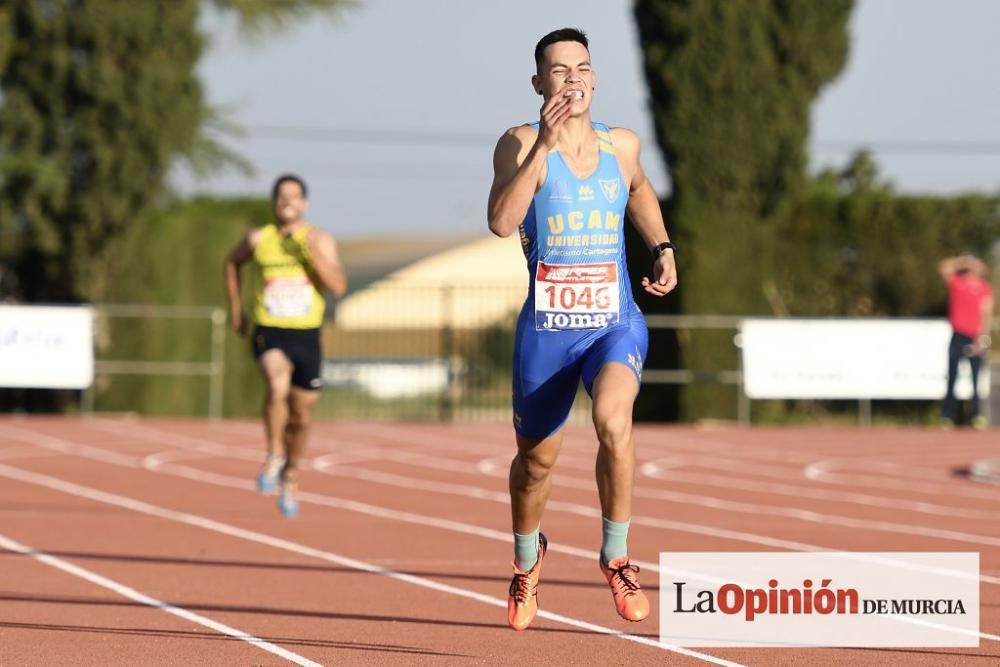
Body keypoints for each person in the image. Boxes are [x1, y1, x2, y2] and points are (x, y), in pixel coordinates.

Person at [486, 28, 678, 630]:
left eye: (582, 68)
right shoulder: (518, 144)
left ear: (595, 79)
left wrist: (662, 245)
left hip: (612, 325)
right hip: (547, 332)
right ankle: (526, 561)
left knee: (612, 421)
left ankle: (616, 557)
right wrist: (543, 144)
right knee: (535, 465)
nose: (572, 79)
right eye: (559, 70)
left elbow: (641, 191)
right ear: (539, 84)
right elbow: (500, 221)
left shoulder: (620, 145)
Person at [224, 175, 347, 517]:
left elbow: (338, 286)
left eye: (294, 197)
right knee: (276, 385)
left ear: (304, 203)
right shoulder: (258, 239)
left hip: (307, 335)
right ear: (274, 202)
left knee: (302, 417)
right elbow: (231, 263)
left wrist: (310, 255)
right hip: (270, 330)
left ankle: (291, 473)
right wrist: (236, 310)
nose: (287, 202)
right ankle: (274, 454)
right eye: (281, 196)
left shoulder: (319, 239)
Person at [938, 254, 994, 429]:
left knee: (976, 379)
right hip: (958, 335)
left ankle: (977, 416)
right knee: (952, 377)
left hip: (975, 337)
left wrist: (981, 336)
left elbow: (987, 313)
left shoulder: (984, 288)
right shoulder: (958, 283)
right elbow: (943, 267)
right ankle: (948, 416)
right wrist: (963, 261)